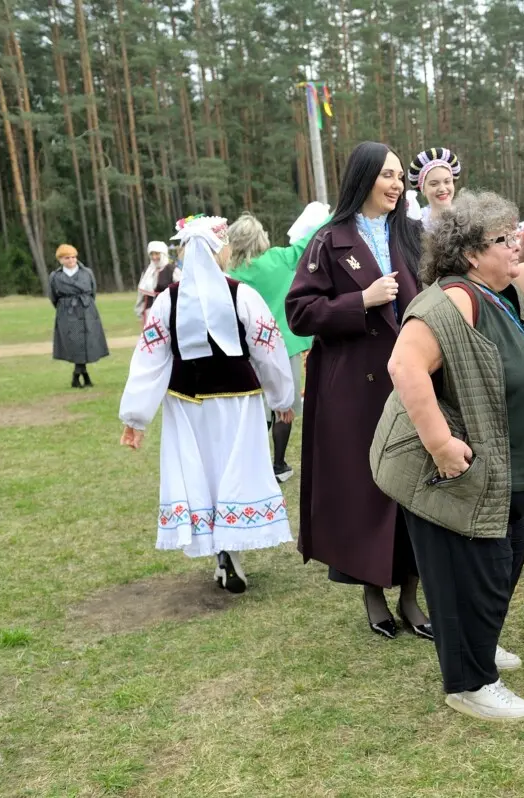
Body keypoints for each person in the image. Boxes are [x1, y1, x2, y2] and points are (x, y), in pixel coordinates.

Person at [376, 165, 524, 721]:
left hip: (503, 472)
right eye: (504, 239)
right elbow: (405, 362)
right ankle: (470, 683)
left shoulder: (501, 291)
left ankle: (479, 648)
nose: (518, 246)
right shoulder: (455, 299)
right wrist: (441, 445)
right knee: (471, 573)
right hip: (458, 476)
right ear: (468, 254)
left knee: (503, 561)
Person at [286, 142, 430, 640]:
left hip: (413, 381)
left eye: (399, 177)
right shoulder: (330, 240)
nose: (396, 185)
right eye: (387, 175)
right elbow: (299, 313)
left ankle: (411, 594)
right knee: (366, 487)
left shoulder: (413, 234)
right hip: (353, 385)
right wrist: (359, 301)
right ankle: (372, 592)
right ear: (363, 178)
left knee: (415, 484)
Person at [119, 215, 295, 593]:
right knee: (234, 467)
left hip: (187, 403)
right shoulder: (242, 294)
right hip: (239, 403)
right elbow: (269, 349)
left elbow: (149, 360)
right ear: (220, 252)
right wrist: (282, 398)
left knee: (201, 471)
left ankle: (222, 550)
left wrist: (136, 417)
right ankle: (229, 547)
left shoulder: (167, 301)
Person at [227, 204, 330, 482]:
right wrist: (335, 212)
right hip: (286, 345)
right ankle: (279, 463)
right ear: (260, 238)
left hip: (245, 350)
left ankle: (254, 464)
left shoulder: (229, 273)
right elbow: (312, 239)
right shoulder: (281, 259)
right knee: (284, 406)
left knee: (255, 408)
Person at [49, 245, 110, 388]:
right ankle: (82, 375)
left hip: (86, 309)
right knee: (75, 343)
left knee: (86, 342)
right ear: (60, 260)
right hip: (67, 312)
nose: (71, 260)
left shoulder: (86, 272)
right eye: (67, 258)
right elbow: (53, 296)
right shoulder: (56, 276)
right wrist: (64, 307)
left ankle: (78, 376)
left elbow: (93, 291)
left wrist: (86, 305)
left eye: (73, 257)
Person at [407, 147, 461, 230]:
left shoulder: (468, 219)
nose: (442, 189)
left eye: (447, 182)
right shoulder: (417, 226)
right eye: (434, 184)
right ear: (423, 190)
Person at [135, 240, 181, 323]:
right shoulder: (147, 272)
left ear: (163, 254)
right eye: (152, 254)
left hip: (168, 312)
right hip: (150, 312)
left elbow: (181, 291)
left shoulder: (172, 270)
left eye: (157, 254)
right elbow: (141, 295)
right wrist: (140, 310)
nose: (154, 257)